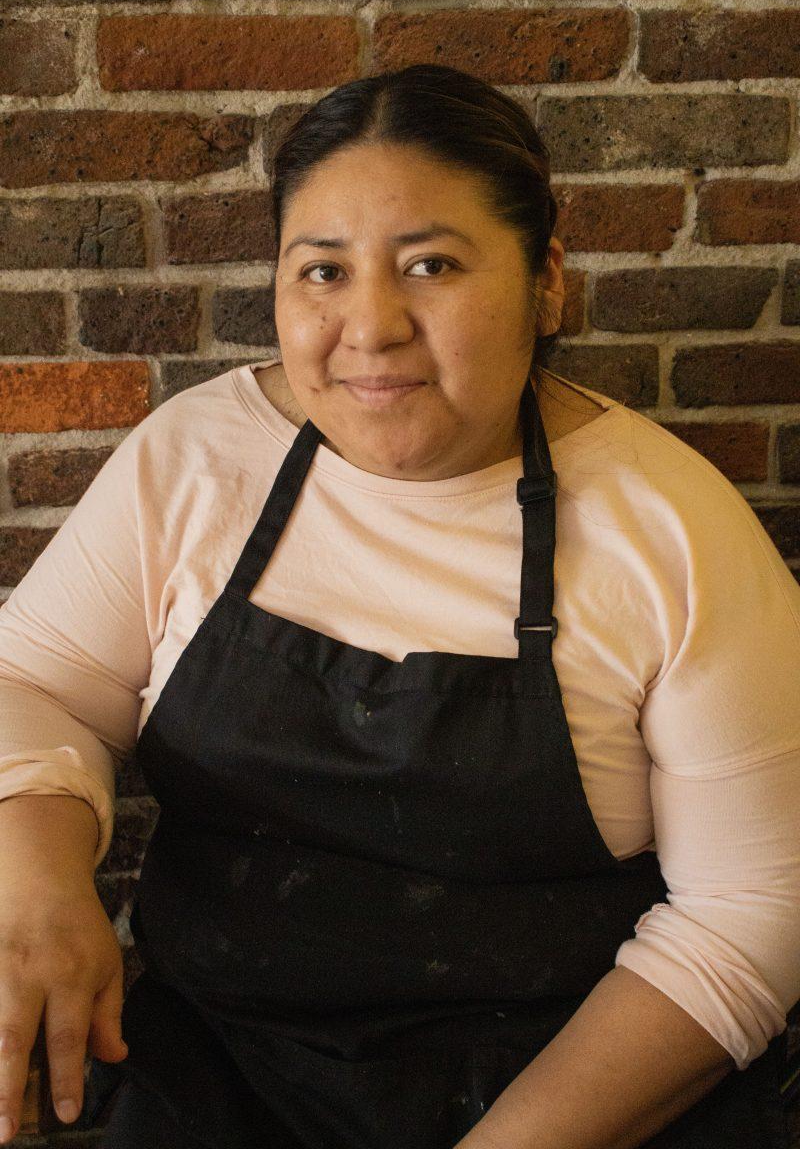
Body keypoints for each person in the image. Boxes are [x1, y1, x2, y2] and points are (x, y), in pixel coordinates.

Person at [0, 63, 799, 1149]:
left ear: (545, 280)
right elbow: (33, 683)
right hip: (221, 1064)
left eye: (429, 264)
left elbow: (748, 915)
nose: (368, 326)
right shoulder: (195, 461)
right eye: (321, 272)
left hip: (564, 1088)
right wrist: (38, 879)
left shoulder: (671, 531)